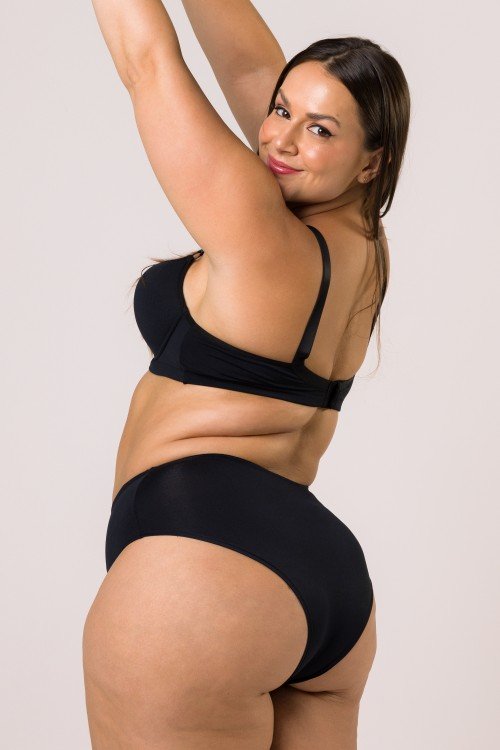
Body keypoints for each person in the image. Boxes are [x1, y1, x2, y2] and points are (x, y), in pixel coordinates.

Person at [83, 1, 410, 747]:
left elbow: (147, 63)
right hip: (325, 595)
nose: (280, 138)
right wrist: (299, 113)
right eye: (282, 111)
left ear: (371, 161)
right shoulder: (364, 242)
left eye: (319, 129)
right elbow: (252, 70)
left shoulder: (258, 229)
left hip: (199, 581)